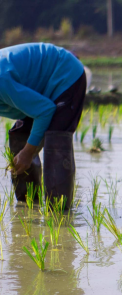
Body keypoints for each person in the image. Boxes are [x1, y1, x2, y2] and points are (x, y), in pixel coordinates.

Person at [0, 43, 86, 208]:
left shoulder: (1, 82)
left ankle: (59, 215)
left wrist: (28, 152)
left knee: (56, 140)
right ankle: (29, 205)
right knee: (20, 136)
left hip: (66, 76)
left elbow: (45, 110)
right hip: (41, 89)